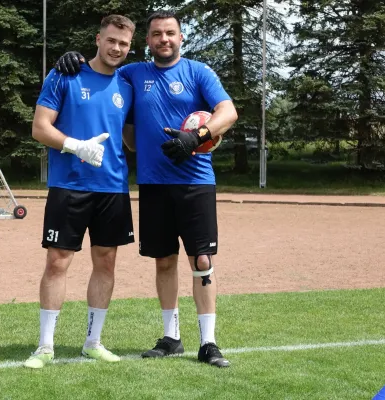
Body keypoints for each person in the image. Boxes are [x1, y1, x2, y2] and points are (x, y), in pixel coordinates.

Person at [55, 10, 238, 368]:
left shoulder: (198, 72)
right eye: (157, 34)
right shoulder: (132, 73)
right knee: (164, 260)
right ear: (148, 41)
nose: (164, 39)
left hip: (195, 182)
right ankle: (171, 338)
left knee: (201, 260)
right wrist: (71, 60)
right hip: (153, 184)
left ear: (181, 37)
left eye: (170, 33)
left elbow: (228, 112)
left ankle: (209, 342)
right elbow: (101, 70)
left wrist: (196, 136)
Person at [24, 14, 136, 369]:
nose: (117, 48)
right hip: (69, 185)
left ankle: (93, 341)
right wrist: (75, 145)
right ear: (98, 39)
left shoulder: (128, 84)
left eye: (124, 43)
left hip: (113, 188)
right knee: (57, 263)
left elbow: (133, 140)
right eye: (111, 40)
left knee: (106, 263)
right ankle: (44, 346)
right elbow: (40, 129)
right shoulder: (64, 74)